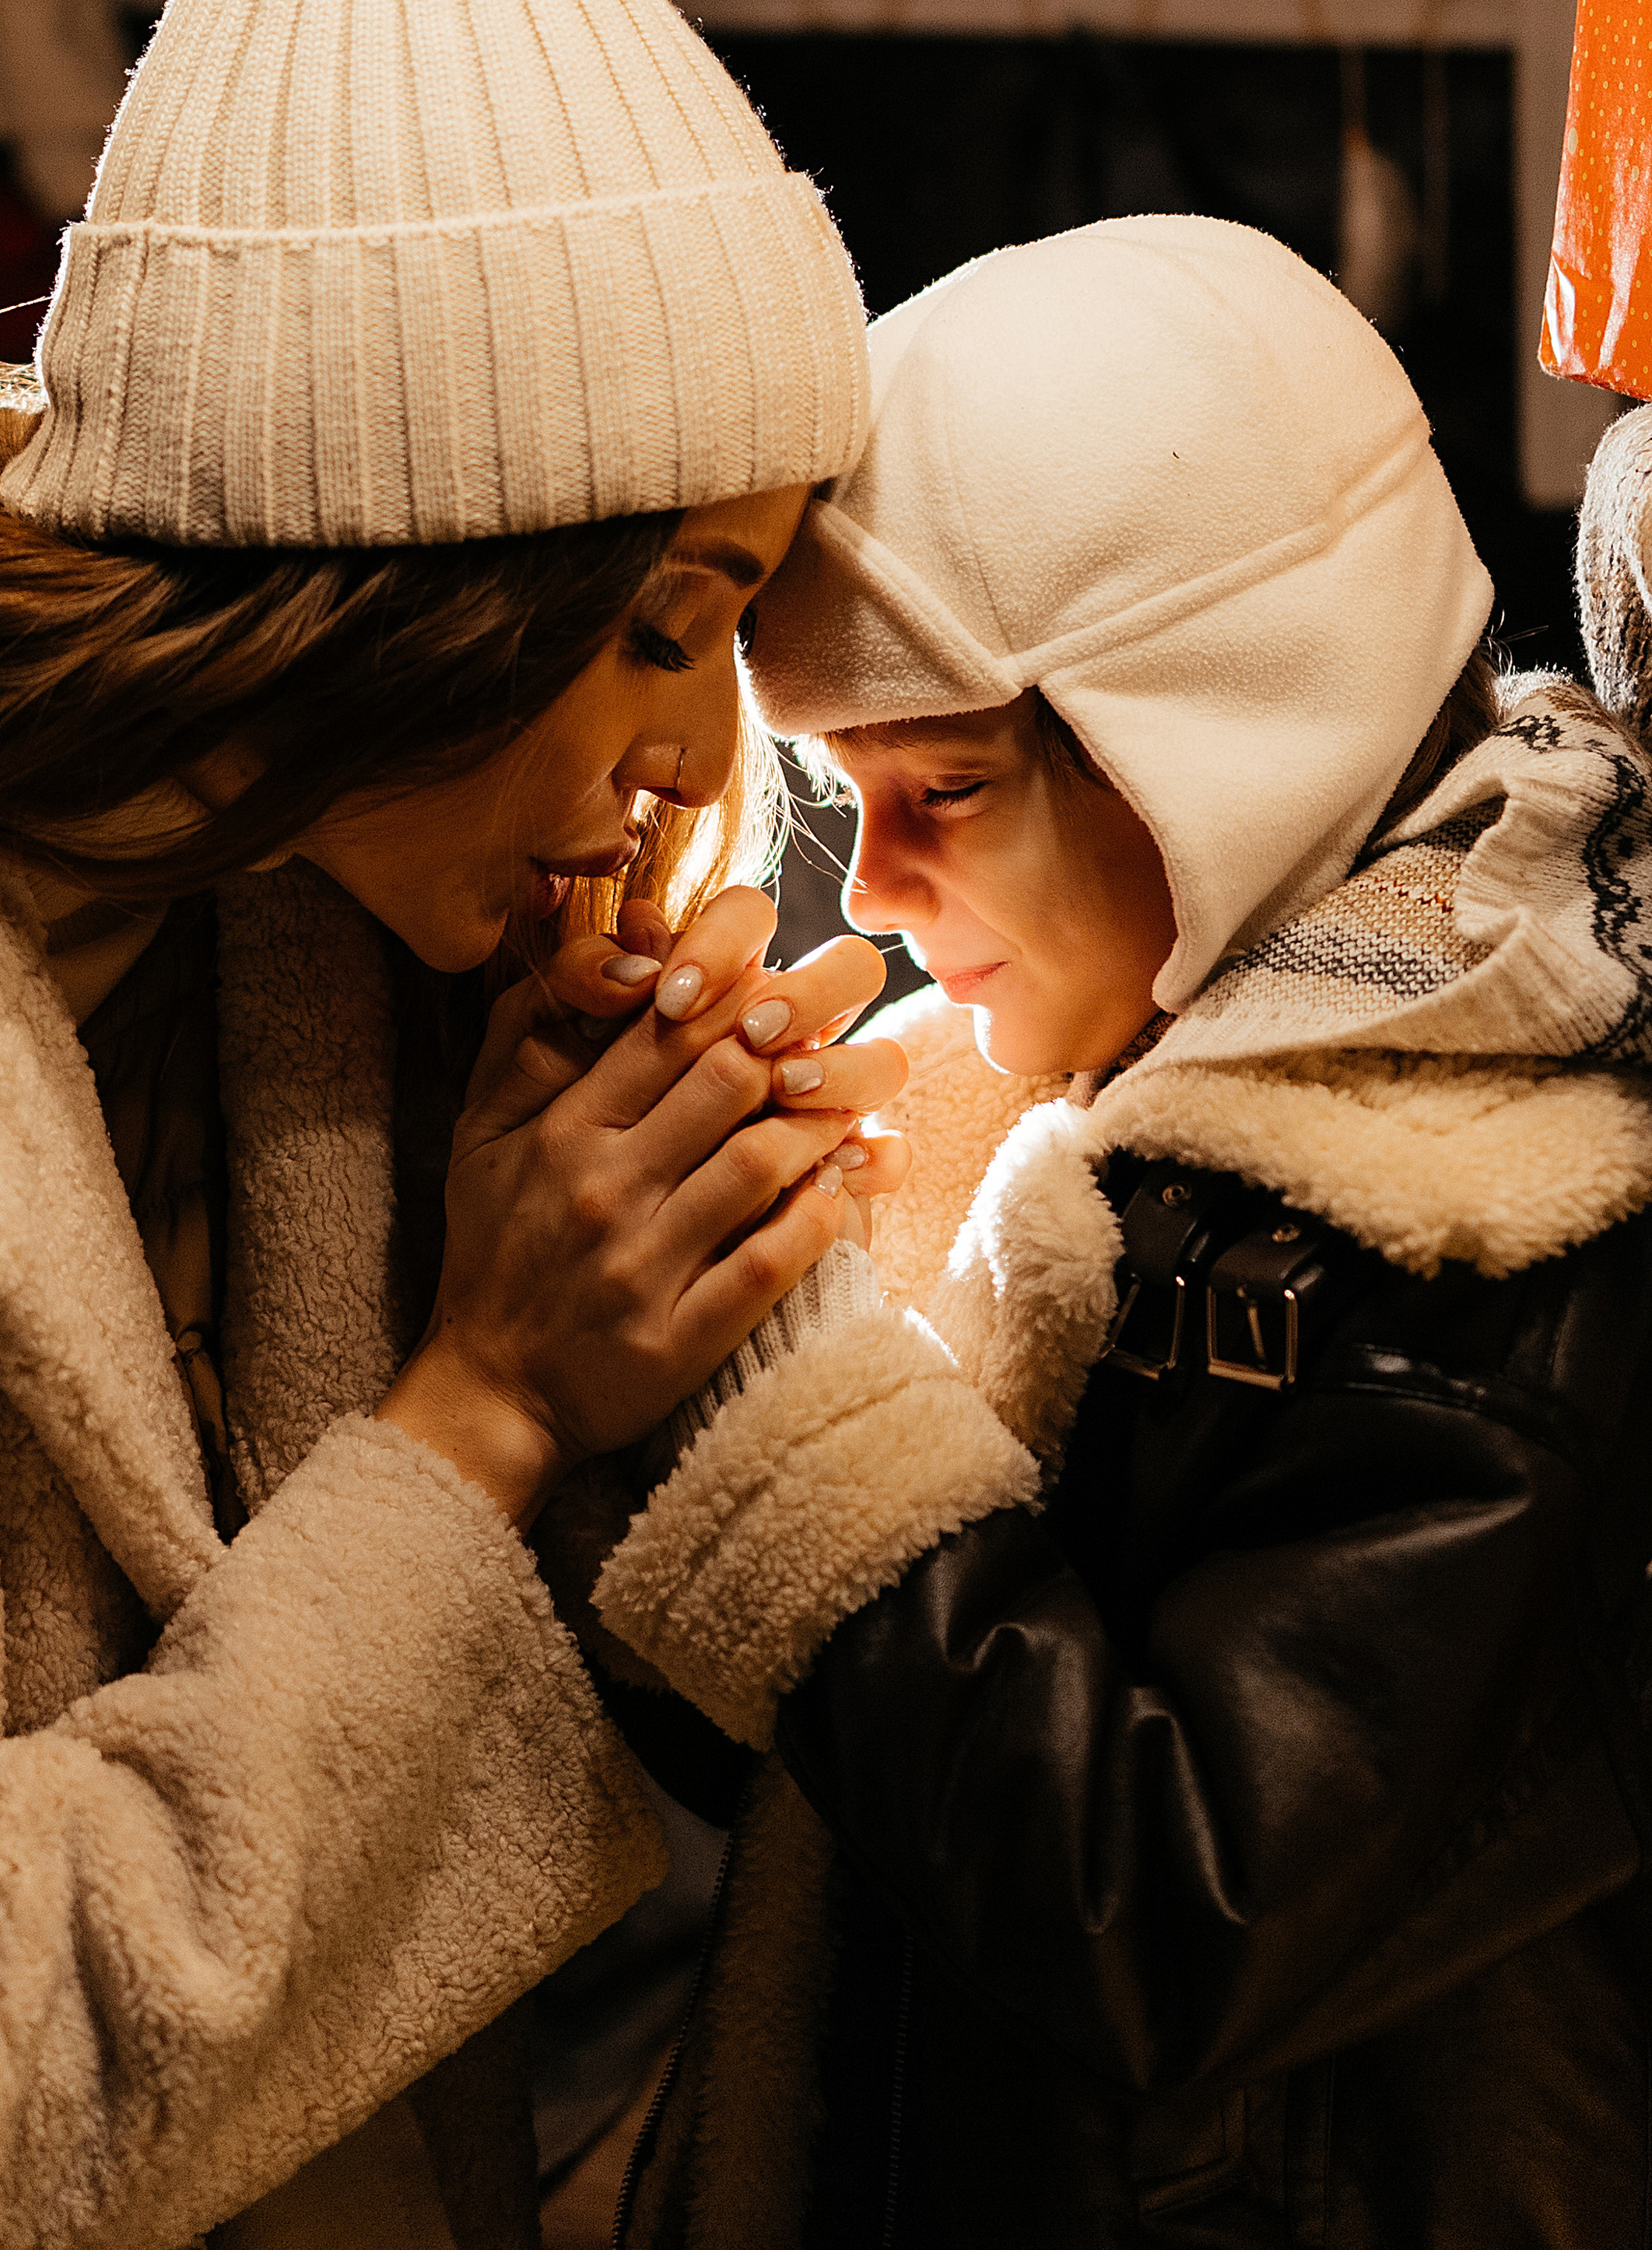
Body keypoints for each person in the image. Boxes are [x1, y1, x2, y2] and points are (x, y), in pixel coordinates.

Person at [0, 0, 914, 2250]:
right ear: (412, 591)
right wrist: (479, 1407)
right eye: (671, 618)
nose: (706, 758)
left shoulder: (298, 927)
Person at [585, 212, 1652, 2248]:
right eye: (849, 793)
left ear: (1231, 735)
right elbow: (839, 1794)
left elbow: (1168, 1915)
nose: (878, 887)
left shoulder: (1494, 1239)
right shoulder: (1098, 1111)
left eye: (950, 791)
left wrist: (781, 1388)